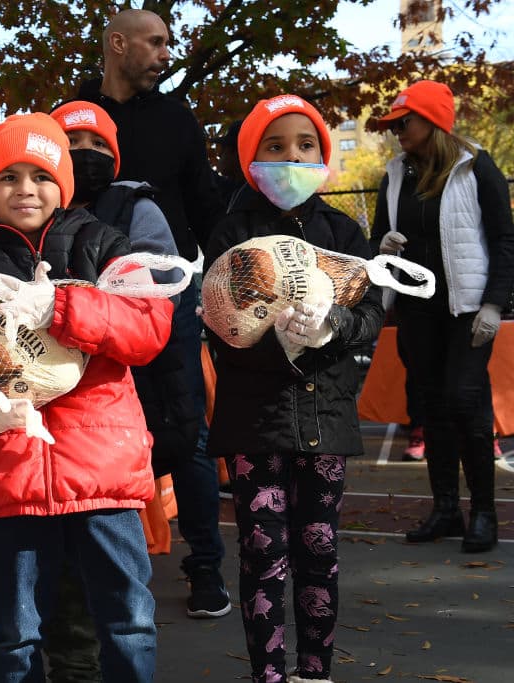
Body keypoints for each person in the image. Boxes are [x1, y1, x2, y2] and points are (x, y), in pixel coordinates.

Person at [0, 112, 171, 682]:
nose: (25, 188)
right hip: (7, 480)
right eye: (8, 176)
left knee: (126, 621)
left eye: (41, 175)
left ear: (64, 184)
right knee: (11, 633)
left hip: (103, 477)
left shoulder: (104, 243)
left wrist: (65, 307)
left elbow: (150, 325)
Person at [204, 94, 384, 683]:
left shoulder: (344, 232)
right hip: (254, 420)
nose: (292, 157)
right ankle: (269, 674)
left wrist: (333, 327)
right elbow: (219, 327)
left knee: (320, 549)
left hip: (325, 417)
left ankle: (314, 671)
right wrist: (273, 342)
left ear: (323, 155)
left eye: (306, 145)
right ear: (250, 159)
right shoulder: (231, 233)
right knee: (262, 553)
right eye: (275, 146)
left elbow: (372, 312)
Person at [77, 7, 230, 618]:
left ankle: (206, 567)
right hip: (88, 300)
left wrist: (229, 281)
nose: (167, 54)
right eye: (157, 42)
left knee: (185, 429)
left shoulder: (177, 119)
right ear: (118, 44)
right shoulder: (72, 115)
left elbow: (206, 204)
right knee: (92, 430)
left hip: (170, 298)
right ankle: (91, 574)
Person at [370, 79, 514, 552]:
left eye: (403, 123)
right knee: (431, 405)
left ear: (432, 122)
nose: (396, 133)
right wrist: (382, 246)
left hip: (468, 310)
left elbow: (505, 239)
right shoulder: (395, 175)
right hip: (417, 310)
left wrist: (494, 303)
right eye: (392, 125)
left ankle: (484, 513)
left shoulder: (476, 166)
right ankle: (447, 510)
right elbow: (376, 240)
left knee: (464, 400)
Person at [212, 119, 246, 212]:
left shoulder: (248, 198)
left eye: (223, 149)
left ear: (236, 152)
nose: (219, 154)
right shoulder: (233, 189)